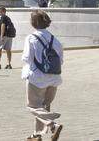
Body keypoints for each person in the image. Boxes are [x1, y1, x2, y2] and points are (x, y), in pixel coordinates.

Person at [22, 10, 64, 141]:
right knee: (44, 108)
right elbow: (60, 60)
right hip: (54, 79)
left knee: (33, 106)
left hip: (37, 78)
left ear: (33, 23)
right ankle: (37, 134)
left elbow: (27, 58)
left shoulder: (31, 38)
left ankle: (53, 125)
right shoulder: (55, 40)